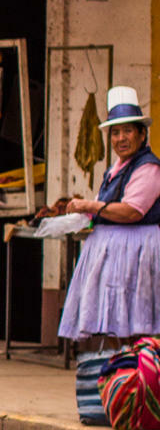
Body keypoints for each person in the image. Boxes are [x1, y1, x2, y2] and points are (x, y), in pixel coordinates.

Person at [60, 90, 160, 346]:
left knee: (136, 326)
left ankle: (137, 379)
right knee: (116, 327)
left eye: (127, 131)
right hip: (117, 257)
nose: (121, 138)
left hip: (136, 255)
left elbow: (131, 211)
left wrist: (93, 205)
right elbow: (106, 210)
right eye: (115, 133)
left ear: (142, 134)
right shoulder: (115, 170)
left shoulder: (147, 167)